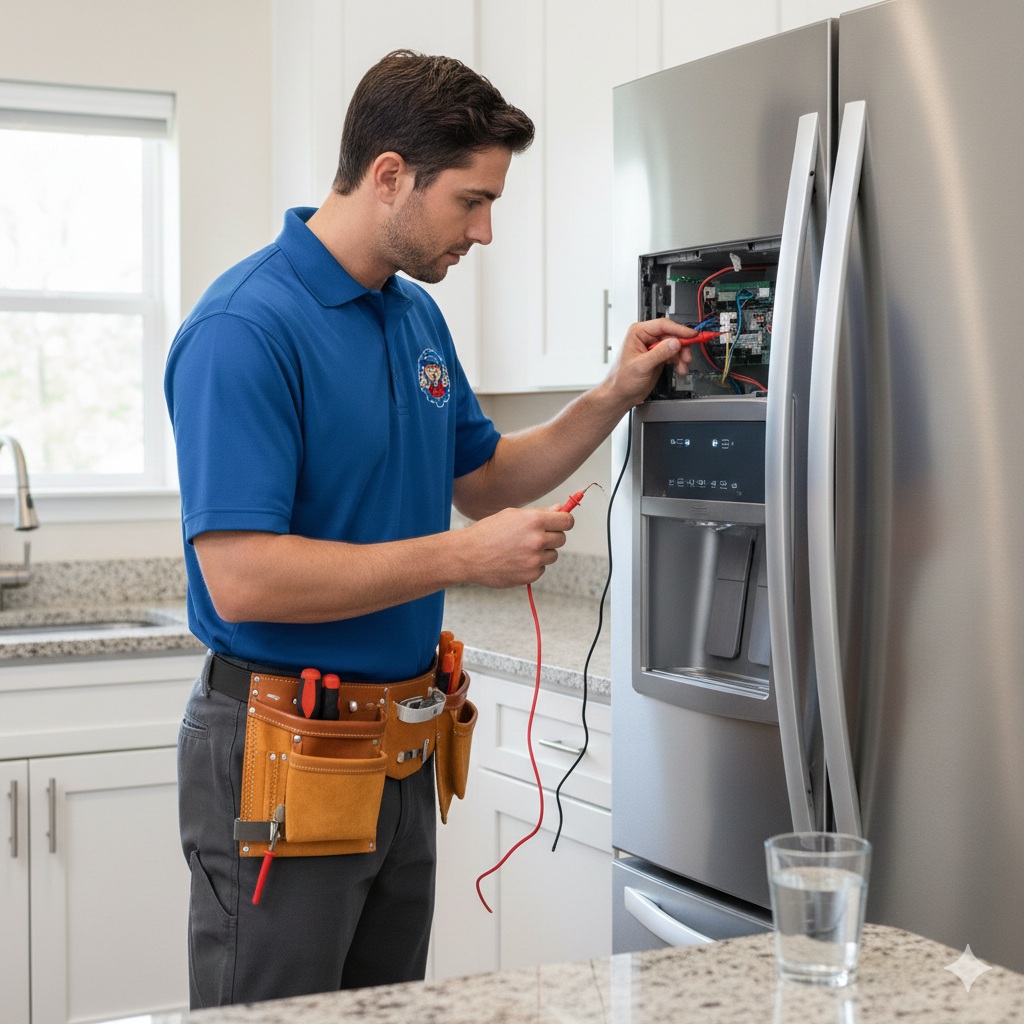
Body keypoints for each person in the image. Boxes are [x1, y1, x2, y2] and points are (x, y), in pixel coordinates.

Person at [165, 49, 694, 1009]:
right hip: (283, 748)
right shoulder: (243, 329)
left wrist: (615, 393)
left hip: (402, 747)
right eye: (471, 200)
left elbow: (485, 480)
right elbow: (242, 579)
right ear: (389, 175)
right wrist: (461, 558)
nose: (485, 231)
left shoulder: (413, 318)